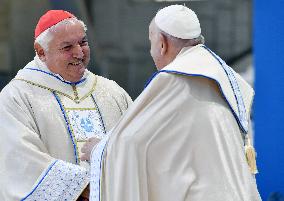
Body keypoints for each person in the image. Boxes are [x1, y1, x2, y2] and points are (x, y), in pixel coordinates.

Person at [81, 5, 262, 201]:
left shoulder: (175, 80)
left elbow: (132, 142)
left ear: (162, 44)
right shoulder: (223, 76)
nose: (152, 51)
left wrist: (100, 152)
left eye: (151, 42)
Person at [0, 10, 132, 201]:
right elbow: (19, 160)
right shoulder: (17, 97)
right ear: (41, 52)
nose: (79, 53)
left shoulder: (112, 92)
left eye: (83, 42)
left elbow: (137, 142)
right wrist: (83, 187)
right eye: (67, 47)